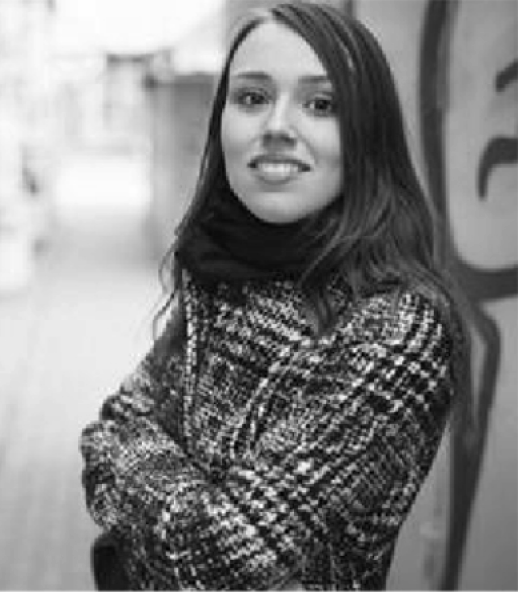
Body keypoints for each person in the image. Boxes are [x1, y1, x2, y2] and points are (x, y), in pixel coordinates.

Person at [79, 1, 469, 589]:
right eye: (253, 97)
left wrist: (130, 466)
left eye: (321, 104)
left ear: (368, 135)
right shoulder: (222, 272)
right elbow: (107, 427)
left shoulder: (395, 327)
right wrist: (159, 481)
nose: (278, 126)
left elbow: (227, 557)